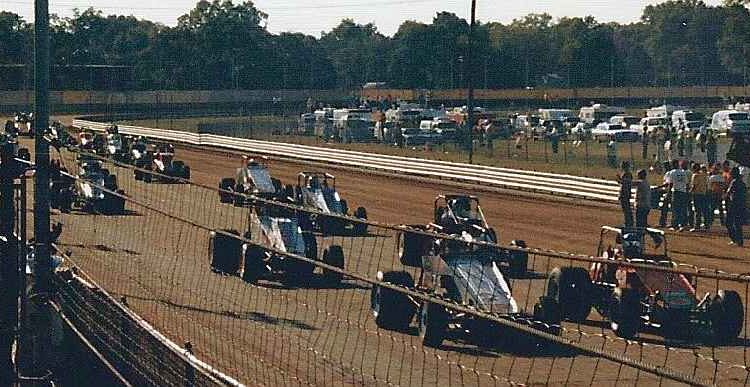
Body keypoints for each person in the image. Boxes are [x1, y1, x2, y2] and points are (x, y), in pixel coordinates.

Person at [725, 167, 746, 246]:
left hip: (733, 204)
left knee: (728, 222)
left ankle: (734, 239)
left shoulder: (734, 182)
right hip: (740, 205)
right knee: (738, 223)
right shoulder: (742, 183)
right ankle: (740, 241)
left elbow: (728, 192)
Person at [690, 163, 709, 232]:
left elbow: (694, 186)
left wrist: (690, 192)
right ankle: (706, 225)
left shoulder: (695, 175)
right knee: (704, 210)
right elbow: (706, 185)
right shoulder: (704, 175)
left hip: (697, 194)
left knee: (697, 211)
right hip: (703, 194)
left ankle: (697, 225)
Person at [617, 161, 634, 228]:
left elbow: (625, 183)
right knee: (626, 209)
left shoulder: (627, 174)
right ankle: (628, 221)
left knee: (626, 209)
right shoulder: (626, 174)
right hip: (625, 193)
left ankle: (629, 222)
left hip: (625, 193)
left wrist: (619, 180)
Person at [658, 161, 674, 227]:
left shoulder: (669, 173)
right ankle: (664, 222)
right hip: (669, 191)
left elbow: (668, 183)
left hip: (669, 192)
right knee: (667, 208)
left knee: (665, 208)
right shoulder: (669, 173)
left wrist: (659, 187)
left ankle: (663, 222)